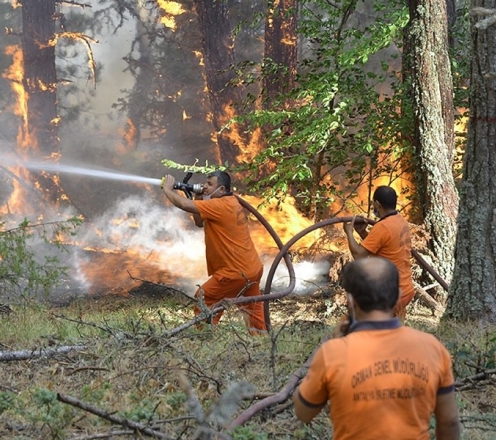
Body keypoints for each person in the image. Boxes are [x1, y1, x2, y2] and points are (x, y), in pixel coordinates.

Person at [293, 257, 460, 440]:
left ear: (350, 300)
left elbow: (303, 413)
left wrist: (332, 346)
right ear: (397, 296)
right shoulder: (432, 347)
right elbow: (449, 421)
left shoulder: (332, 353)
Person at [161, 171, 267, 334]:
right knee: (252, 309)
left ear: (222, 189)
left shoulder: (220, 206)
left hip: (234, 273)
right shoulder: (228, 202)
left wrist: (168, 190)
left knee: (204, 297)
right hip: (251, 269)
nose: (204, 186)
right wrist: (198, 197)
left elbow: (184, 205)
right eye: (205, 183)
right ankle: (261, 340)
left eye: (210, 184)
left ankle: (205, 337)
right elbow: (198, 222)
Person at [343, 186, 415, 319]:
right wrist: (362, 233)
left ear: (377, 204)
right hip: (406, 289)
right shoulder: (400, 220)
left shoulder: (382, 227)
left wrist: (349, 233)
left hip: (391, 293)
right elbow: (383, 246)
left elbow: (359, 255)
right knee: (394, 331)